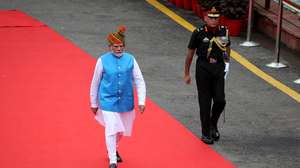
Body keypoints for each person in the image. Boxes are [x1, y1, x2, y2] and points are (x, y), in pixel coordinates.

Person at [90, 25, 146, 168]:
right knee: (112, 128)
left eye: (121, 46)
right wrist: (94, 103)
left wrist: (141, 101)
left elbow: (139, 80)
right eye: (116, 46)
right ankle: (113, 160)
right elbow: (95, 82)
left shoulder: (131, 59)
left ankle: (112, 148)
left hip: (126, 101)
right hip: (107, 100)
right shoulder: (102, 60)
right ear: (110, 47)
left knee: (121, 131)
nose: (119, 48)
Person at [184, 7, 230, 145]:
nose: (213, 20)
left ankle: (213, 123)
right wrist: (187, 73)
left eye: (216, 17)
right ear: (205, 18)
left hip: (218, 68)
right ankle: (205, 133)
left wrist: (227, 65)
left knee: (220, 100)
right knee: (205, 101)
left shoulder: (224, 31)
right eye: (211, 17)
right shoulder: (198, 33)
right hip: (203, 67)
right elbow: (190, 53)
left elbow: (227, 49)